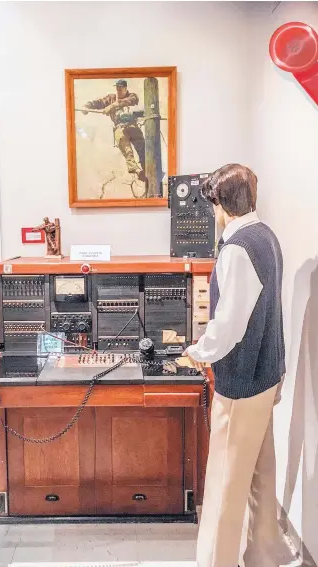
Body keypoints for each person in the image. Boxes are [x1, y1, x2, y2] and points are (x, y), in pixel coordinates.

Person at [183, 163, 285, 567]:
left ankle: (215, 562)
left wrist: (196, 351)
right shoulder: (267, 237)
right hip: (268, 376)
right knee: (262, 472)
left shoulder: (237, 248)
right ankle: (264, 555)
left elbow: (228, 327)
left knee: (226, 483)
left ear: (220, 204)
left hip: (242, 383)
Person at [82, 79, 146, 181]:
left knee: (144, 149)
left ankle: (148, 170)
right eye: (117, 89)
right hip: (119, 127)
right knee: (127, 150)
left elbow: (130, 101)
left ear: (125, 89)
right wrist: (87, 106)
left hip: (132, 126)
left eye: (120, 89)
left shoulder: (132, 96)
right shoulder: (111, 98)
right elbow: (98, 102)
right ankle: (138, 171)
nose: (118, 92)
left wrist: (113, 106)